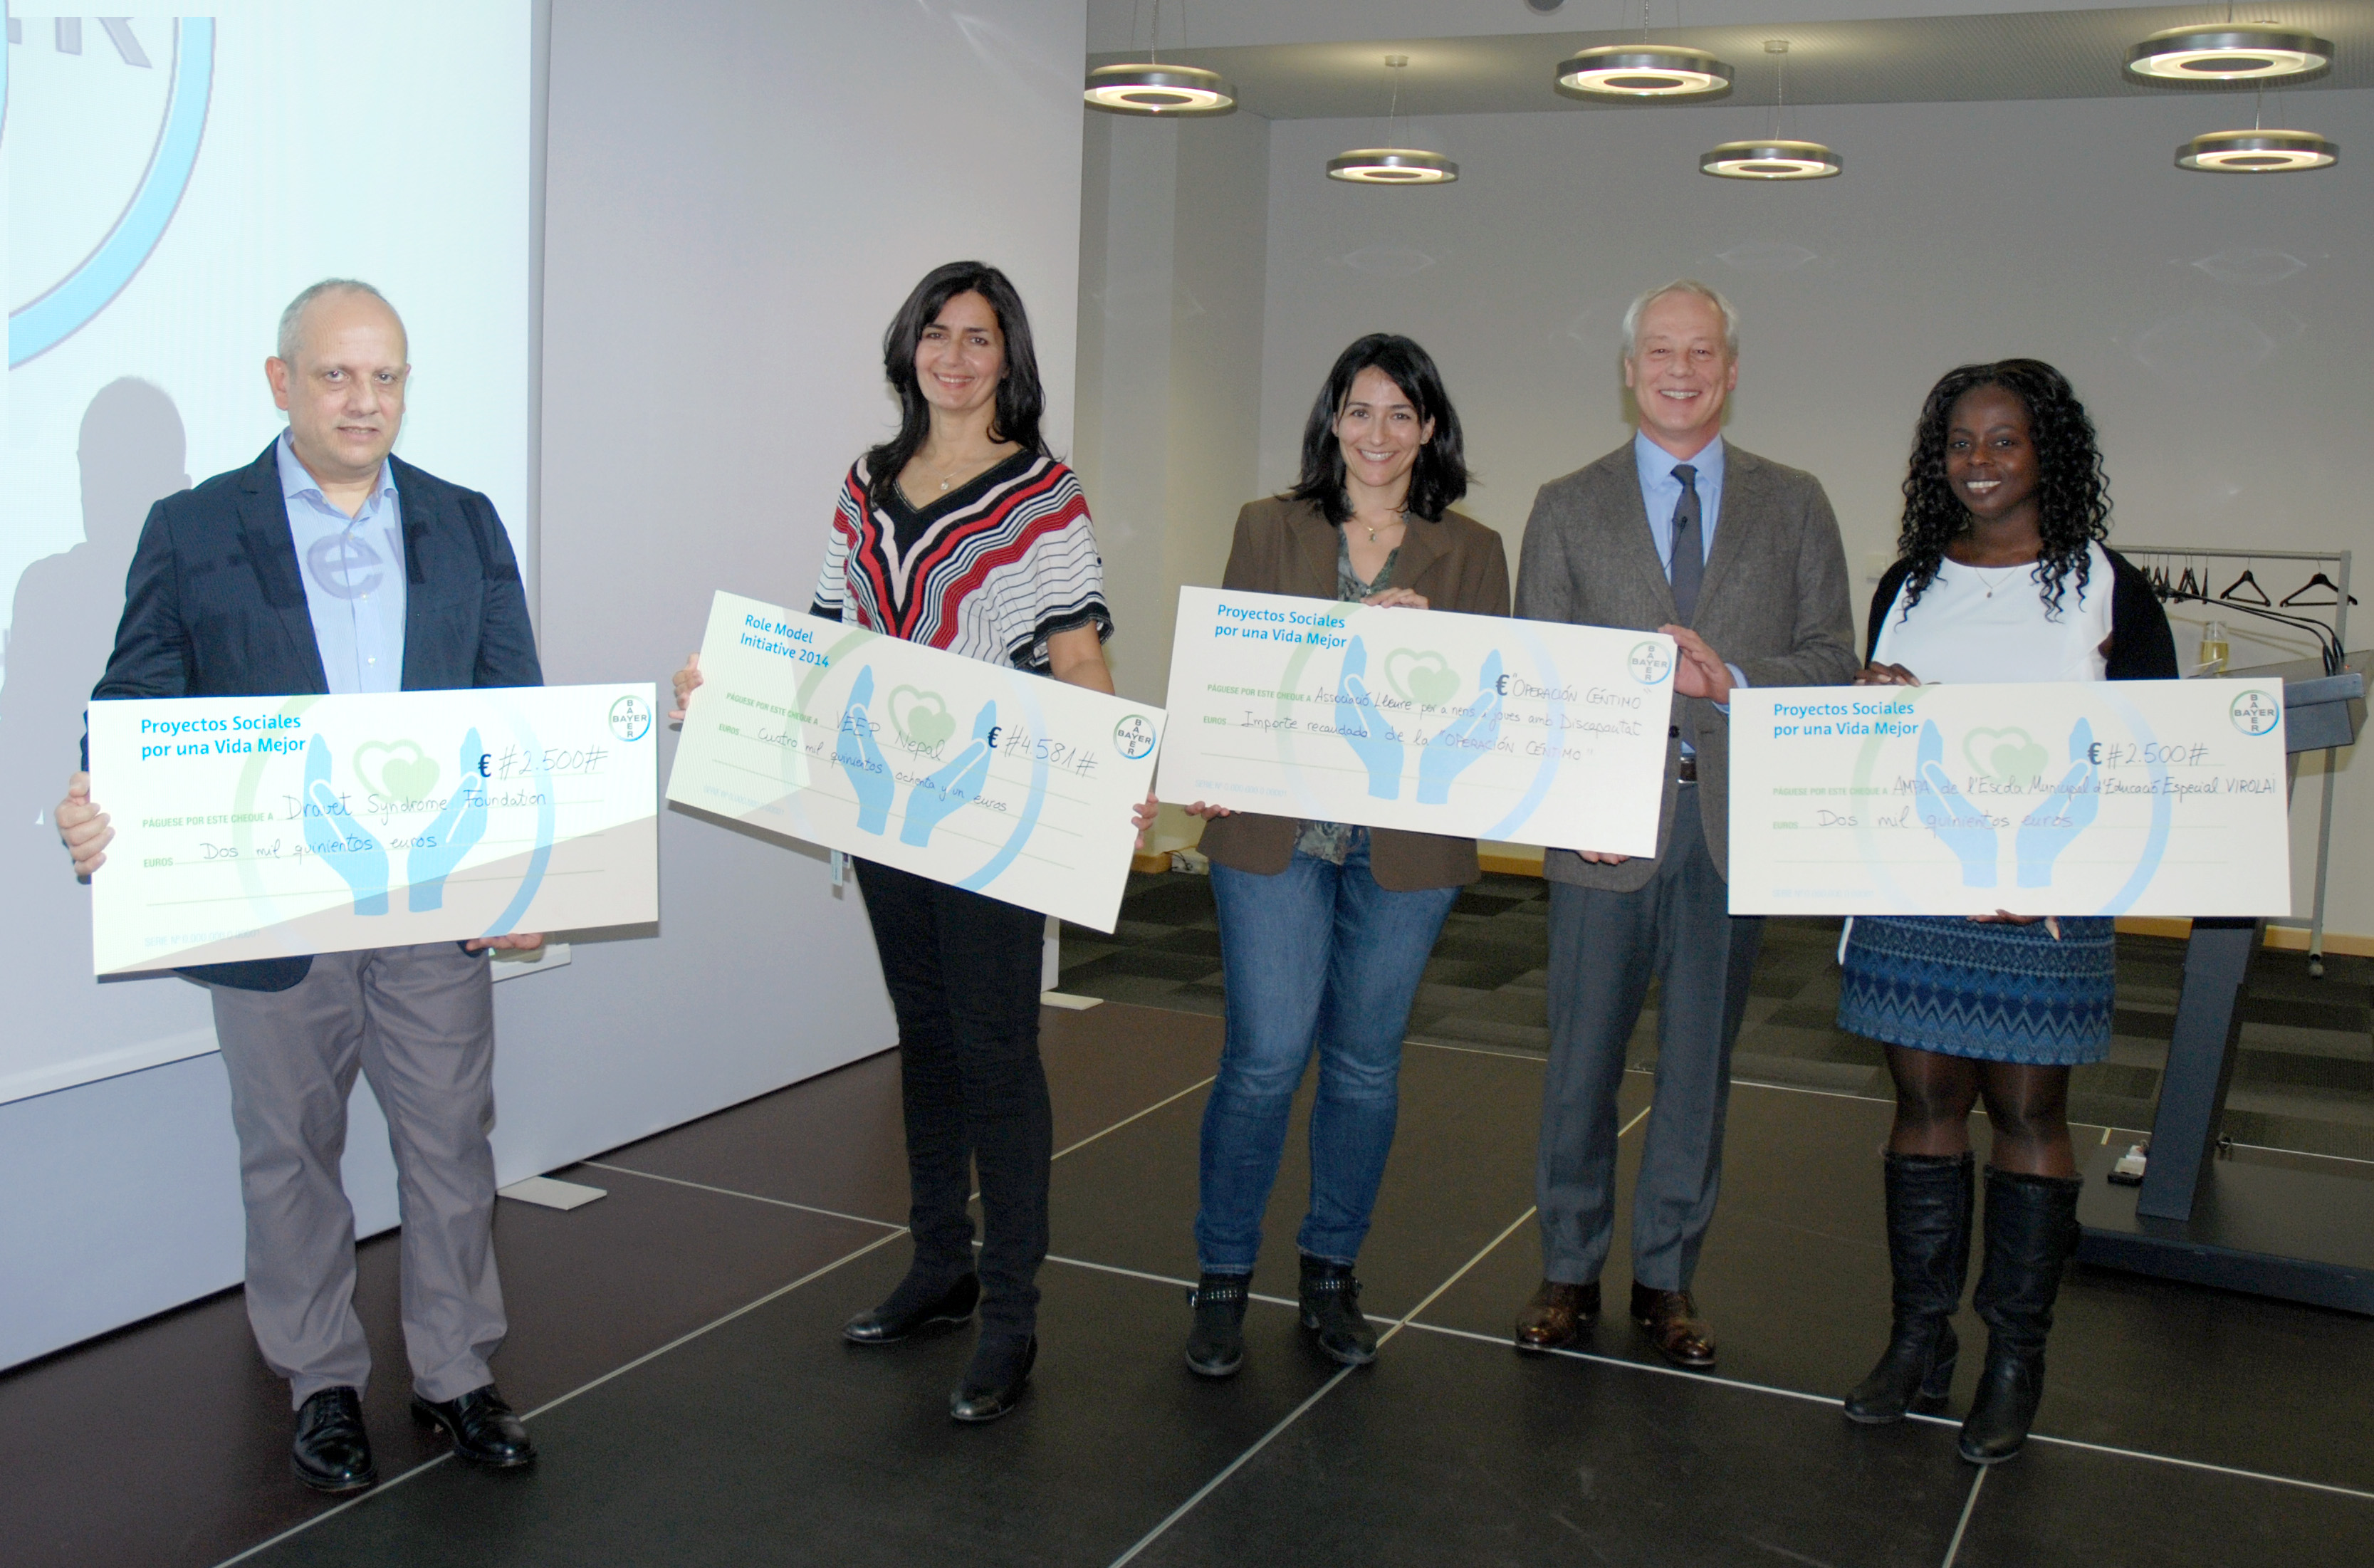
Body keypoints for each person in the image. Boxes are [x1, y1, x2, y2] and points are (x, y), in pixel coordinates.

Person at [54, 281, 548, 1493]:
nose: (363, 400)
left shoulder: (465, 520)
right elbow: (135, 696)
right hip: (269, 909)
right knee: (288, 1153)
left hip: (433, 902)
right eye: (336, 375)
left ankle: (455, 1372)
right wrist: (97, 788)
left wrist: (525, 868)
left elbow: (514, 709)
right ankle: (321, 1378)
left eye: (386, 376)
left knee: (451, 1145)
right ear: (282, 382)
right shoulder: (191, 527)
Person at [669, 261, 1149, 1424]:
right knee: (927, 1039)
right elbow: (826, 637)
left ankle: (1013, 1315)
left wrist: (1112, 784)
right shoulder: (868, 481)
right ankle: (942, 1264)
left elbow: (1076, 654)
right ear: (908, 348)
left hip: (996, 810)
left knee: (998, 1053)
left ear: (1007, 357)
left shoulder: (1042, 494)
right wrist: (726, 693)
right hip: (883, 804)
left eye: (978, 337)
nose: (954, 356)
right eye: (936, 333)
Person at [1511, 281, 1856, 1368]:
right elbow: (1535, 677)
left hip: (1730, 827)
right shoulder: (1565, 504)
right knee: (1580, 1063)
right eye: (1659, 350)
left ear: (1731, 370)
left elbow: (1833, 662)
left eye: (1700, 351)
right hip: (1600, 833)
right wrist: (1572, 803)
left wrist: (1732, 677)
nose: (1679, 369)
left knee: (1698, 1066)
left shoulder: (1794, 502)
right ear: (1628, 371)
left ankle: (1665, 1275)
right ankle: (1567, 1267)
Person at [1837, 359, 2176, 1464]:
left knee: (2028, 1117)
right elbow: (1875, 737)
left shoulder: (2105, 587)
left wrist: (2041, 870)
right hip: (1917, 889)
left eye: (2002, 440)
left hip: (2045, 902)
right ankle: (1919, 1340)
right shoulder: (1907, 583)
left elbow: (2150, 755)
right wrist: (1871, 700)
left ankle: (2014, 1360)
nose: (1976, 463)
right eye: (1958, 443)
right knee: (1923, 1103)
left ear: (2047, 453)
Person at [1176, 335, 1510, 1379]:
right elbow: (1228, 665)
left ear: (1430, 429)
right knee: (1266, 1057)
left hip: (1404, 845)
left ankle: (1331, 1272)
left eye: (1401, 414)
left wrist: (1435, 637)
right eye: (1359, 411)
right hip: (1273, 832)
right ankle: (1223, 1274)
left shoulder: (1472, 550)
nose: (1378, 433)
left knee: (1364, 1066)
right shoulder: (1265, 525)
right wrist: (1207, 757)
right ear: (1331, 421)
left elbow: (1495, 701)